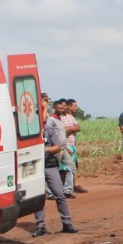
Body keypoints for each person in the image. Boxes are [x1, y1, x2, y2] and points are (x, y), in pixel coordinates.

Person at [33, 99, 76, 236]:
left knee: (60, 194)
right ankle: (40, 227)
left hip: (50, 165)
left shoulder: (49, 130)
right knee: (39, 198)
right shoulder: (29, 133)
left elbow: (57, 148)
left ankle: (67, 223)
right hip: (35, 168)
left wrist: (43, 150)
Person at [57, 98, 82, 196]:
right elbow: (61, 132)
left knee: (70, 168)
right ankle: (65, 190)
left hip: (72, 146)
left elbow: (78, 127)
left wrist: (69, 129)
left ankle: (67, 189)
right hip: (64, 146)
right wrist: (70, 130)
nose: (64, 108)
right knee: (65, 169)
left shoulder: (70, 117)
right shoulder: (58, 118)